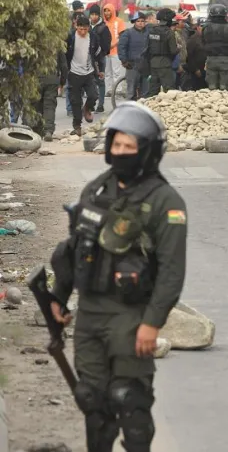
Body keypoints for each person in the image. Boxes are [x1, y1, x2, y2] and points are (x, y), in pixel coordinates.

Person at [47, 101, 186, 452]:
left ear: (148, 151)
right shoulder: (95, 190)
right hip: (90, 313)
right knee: (93, 402)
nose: (120, 152)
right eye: (116, 144)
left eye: (129, 146)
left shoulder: (164, 200)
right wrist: (58, 298)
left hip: (131, 316)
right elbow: (74, 249)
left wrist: (152, 323)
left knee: (130, 402)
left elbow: (172, 270)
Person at [66, 15, 104, 135]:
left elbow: (99, 55)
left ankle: (87, 108)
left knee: (93, 95)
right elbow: (64, 56)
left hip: (88, 72)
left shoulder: (93, 38)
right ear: (76, 26)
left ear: (89, 28)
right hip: (74, 73)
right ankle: (77, 126)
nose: (83, 32)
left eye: (85, 29)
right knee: (75, 101)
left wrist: (101, 70)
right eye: (80, 29)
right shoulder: (70, 37)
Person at [30, 48, 67, 142]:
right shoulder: (57, 44)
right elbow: (64, 66)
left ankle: (36, 130)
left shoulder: (34, 42)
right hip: (52, 79)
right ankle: (48, 131)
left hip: (35, 79)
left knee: (36, 105)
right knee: (49, 106)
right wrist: (62, 82)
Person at [202, 4, 228, 91]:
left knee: (212, 87)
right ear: (224, 15)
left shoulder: (206, 27)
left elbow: (203, 41)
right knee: (224, 88)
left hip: (210, 59)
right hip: (226, 59)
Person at [145, 9, 179, 96]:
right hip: (165, 64)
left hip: (153, 63)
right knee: (169, 91)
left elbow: (148, 47)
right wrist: (179, 48)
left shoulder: (152, 30)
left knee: (153, 90)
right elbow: (173, 51)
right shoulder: (169, 32)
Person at [118, 13, 150, 102]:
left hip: (145, 66)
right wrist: (124, 61)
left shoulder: (148, 33)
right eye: (138, 21)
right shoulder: (127, 33)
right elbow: (121, 47)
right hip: (132, 65)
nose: (140, 23)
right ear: (134, 22)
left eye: (142, 21)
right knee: (131, 91)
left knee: (145, 93)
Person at [101, 5, 127, 108]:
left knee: (116, 72)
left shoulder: (119, 21)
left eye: (109, 11)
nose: (107, 13)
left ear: (113, 11)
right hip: (105, 52)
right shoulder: (103, 23)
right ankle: (108, 91)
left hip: (115, 51)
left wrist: (113, 44)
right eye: (105, 11)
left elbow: (122, 36)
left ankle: (118, 90)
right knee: (107, 72)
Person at [88, 6, 112, 113]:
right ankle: (91, 104)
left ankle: (100, 105)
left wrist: (101, 54)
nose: (93, 17)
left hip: (100, 59)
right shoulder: (87, 26)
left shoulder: (103, 28)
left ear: (99, 15)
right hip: (88, 59)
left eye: (95, 14)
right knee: (89, 82)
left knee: (100, 82)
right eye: (92, 14)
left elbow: (107, 45)